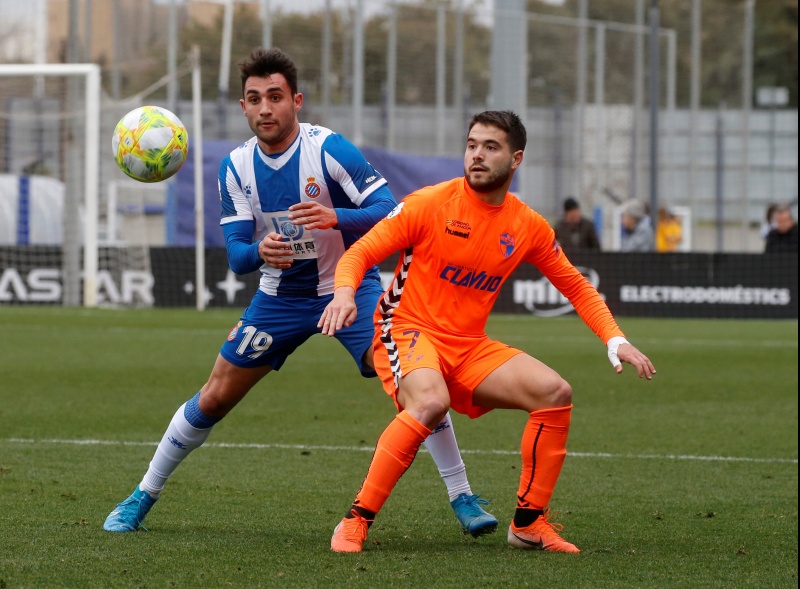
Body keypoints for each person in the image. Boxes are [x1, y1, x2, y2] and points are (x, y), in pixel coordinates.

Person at [103, 47, 497, 538]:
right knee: (215, 395)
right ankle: (142, 495)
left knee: (413, 383)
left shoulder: (330, 150)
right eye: (254, 99)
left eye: (275, 96)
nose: (265, 108)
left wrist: (338, 217)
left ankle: (462, 495)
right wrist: (260, 250)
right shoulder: (235, 168)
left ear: (296, 101)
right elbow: (236, 255)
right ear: (244, 108)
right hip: (280, 300)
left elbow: (395, 214)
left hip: (350, 291)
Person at [318, 110, 656, 554]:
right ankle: (356, 519)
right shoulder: (430, 203)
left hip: (468, 344)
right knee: (430, 402)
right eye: (472, 144)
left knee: (555, 392)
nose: (476, 154)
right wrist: (344, 294)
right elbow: (359, 253)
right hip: (406, 328)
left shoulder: (527, 225)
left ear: (516, 159)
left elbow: (575, 285)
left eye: (490, 147)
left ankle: (529, 523)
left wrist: (615, 339)